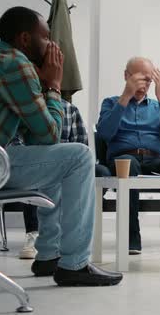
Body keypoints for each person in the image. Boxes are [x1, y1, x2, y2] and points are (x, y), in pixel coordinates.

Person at [0, 6, 122, 286]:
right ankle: (74, 264)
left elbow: (41, 140)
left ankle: (49, 256)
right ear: (25, 39)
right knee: (79, 157)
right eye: (46, 36)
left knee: (56, 161)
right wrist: (53, 85)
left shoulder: (0, 59)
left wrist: (44, 84)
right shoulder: (16, 64)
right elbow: (51, 134)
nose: (53, 44)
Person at [97, 56, 160, 255]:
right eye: (139, 78)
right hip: (123, 162)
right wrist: (125, 97)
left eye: (148, 80)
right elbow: (104, 133)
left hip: (153, 161)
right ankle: (131, 235)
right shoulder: (110, 103)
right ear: (126, 76)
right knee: (130, 162)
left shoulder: (156, 107)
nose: (144, 84)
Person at [17, 99, 112, 260]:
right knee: (54, 170)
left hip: (67, 162)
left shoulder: (70, 109)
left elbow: (81, 142)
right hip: (34, 161)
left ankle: (52, 250)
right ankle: (70, 258)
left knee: (90, 166)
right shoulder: (26, 104)